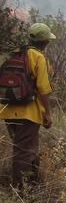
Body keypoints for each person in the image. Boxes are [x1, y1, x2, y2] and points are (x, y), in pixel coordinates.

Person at [0, 23, 55, 189]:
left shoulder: (15, 54)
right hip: (28, 114)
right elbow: (43, 90)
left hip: (8, 111)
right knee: (23, 153)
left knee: (27, 148)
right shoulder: (38, 57)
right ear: (45, 42)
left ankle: (34, 184)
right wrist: (47, 114)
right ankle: (19, 192)